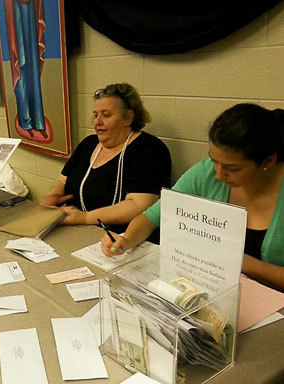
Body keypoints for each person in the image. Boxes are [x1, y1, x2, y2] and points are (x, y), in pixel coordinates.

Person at [102, 104, 284, 292]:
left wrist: (242, 263)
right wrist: (127, 239)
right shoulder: (206, 173)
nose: (219, 175)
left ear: (268, 162)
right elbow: (153, 216)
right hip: (213, 292)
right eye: (214, 160)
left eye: (233, 169)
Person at [41, 83, 171, 240]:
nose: (97, 122)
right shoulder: (88, 144)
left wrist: (85, 218)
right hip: (76, 232)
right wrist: (52, 196)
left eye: (106, 115)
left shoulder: (149, 149)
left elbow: (138, 205)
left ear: (128, 118)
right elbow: (63, 180)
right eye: (95, 115)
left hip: (121, 239)